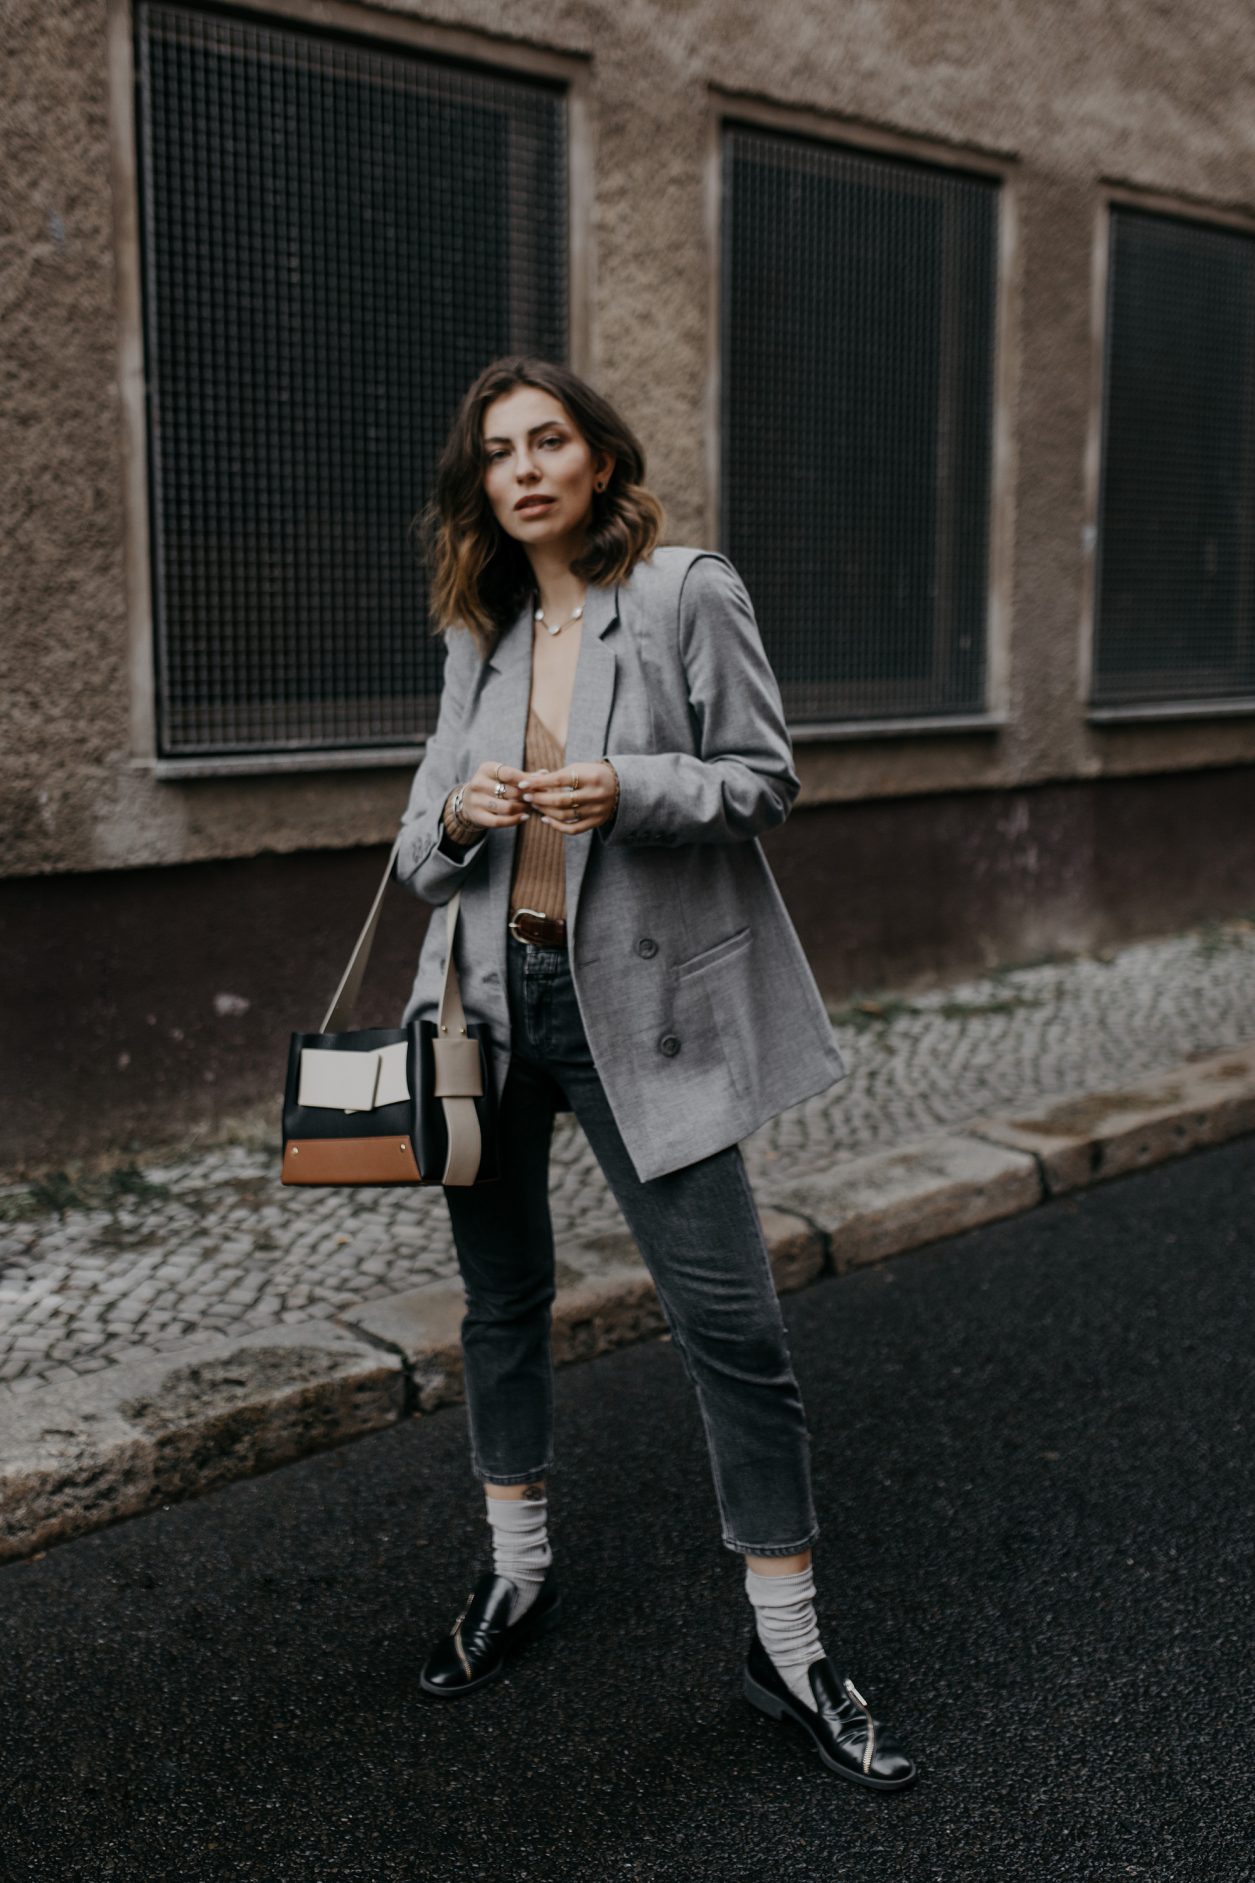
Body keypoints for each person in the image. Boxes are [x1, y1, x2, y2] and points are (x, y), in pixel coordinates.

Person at [393, 356, 916, 1790]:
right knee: (501, 1304)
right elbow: (413, 854)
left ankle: (789, 1647)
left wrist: (628, 788)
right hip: (493, 1015)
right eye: (498, 451)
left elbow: (763, 779)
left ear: (599, 458)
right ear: (481, 488)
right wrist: (456, 810)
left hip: (646, 1018)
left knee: (734, 1332)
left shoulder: (687, 592)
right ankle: (516, 1571)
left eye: (548, 438)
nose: (525, 469)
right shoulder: (479, 627)